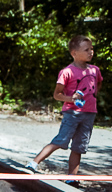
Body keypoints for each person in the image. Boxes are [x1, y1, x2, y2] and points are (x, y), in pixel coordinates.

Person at [26, 35, 102, 183]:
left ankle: (71, 178)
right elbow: (57, 95)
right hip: (72, 113)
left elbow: (98, 83)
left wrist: (93, 96)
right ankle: (33, 164)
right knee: (61, 140)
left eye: (92, 49)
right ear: (74, 53)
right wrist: (71, 99)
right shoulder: (67, 71)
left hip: (89, 113)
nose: (91, 52)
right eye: (86, 50)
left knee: (79, 146)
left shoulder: (95, 70)